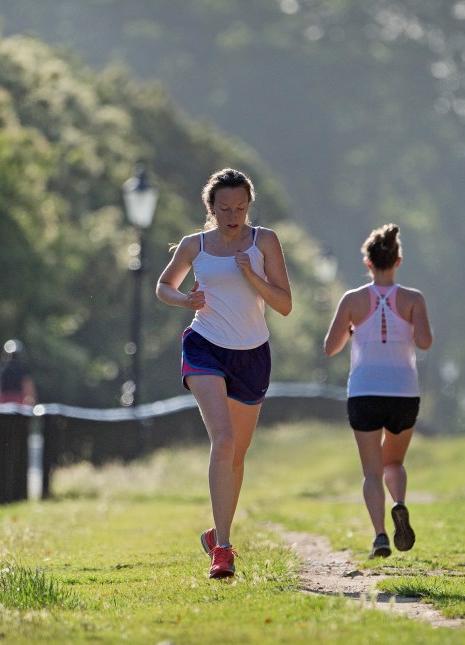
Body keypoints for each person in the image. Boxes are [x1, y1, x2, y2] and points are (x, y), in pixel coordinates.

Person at [156, 168, 293, 579]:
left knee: (237, 456)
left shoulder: (264, 241)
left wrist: (252, 275)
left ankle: (217, 532)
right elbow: (164, 285)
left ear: (249, 206)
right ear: (210, 208)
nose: (233, 216)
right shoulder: (193, 245)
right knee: (225, 439)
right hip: (205, 347)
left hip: (252, 354)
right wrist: (185, 300)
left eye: (241, 208)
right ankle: (225, 551)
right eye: (224, 208)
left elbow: (285, 305)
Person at [323, 224, 433, 558]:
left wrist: (354, 327)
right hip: (403, 391)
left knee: (371, 471)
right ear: (398, 261)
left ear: (368, 263)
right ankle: (399, 502)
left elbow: (331, 348)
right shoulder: (413, 299)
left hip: (365, 392)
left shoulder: (353, 300)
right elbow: (425, 342)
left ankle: (381, 536)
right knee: (394, 463)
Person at [0, 339, 37, 405]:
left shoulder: (1, 368)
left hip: (4, 403)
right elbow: (28, 389)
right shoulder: (23, 369)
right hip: (19, 403)